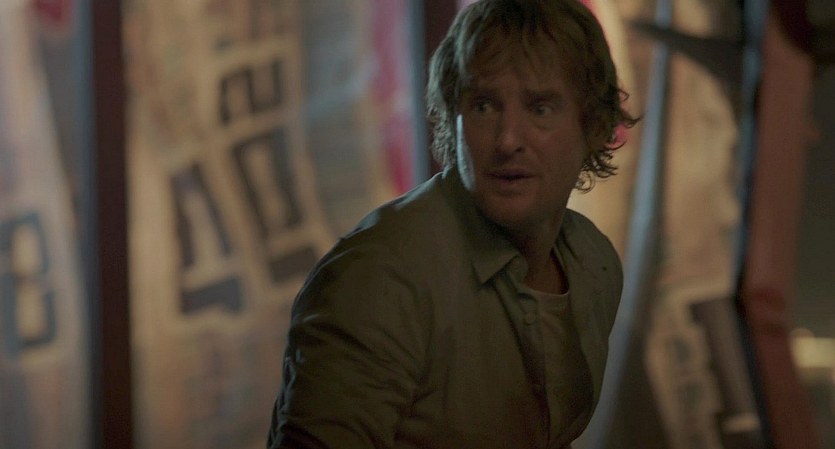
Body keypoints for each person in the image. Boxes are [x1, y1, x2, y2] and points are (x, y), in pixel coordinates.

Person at [268, 0, 637, 447]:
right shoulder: (382, 277)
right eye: (483, 106)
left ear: (593, 124)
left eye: (540, 109)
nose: (508, 140)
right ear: (452, 117)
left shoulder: (593, 262)